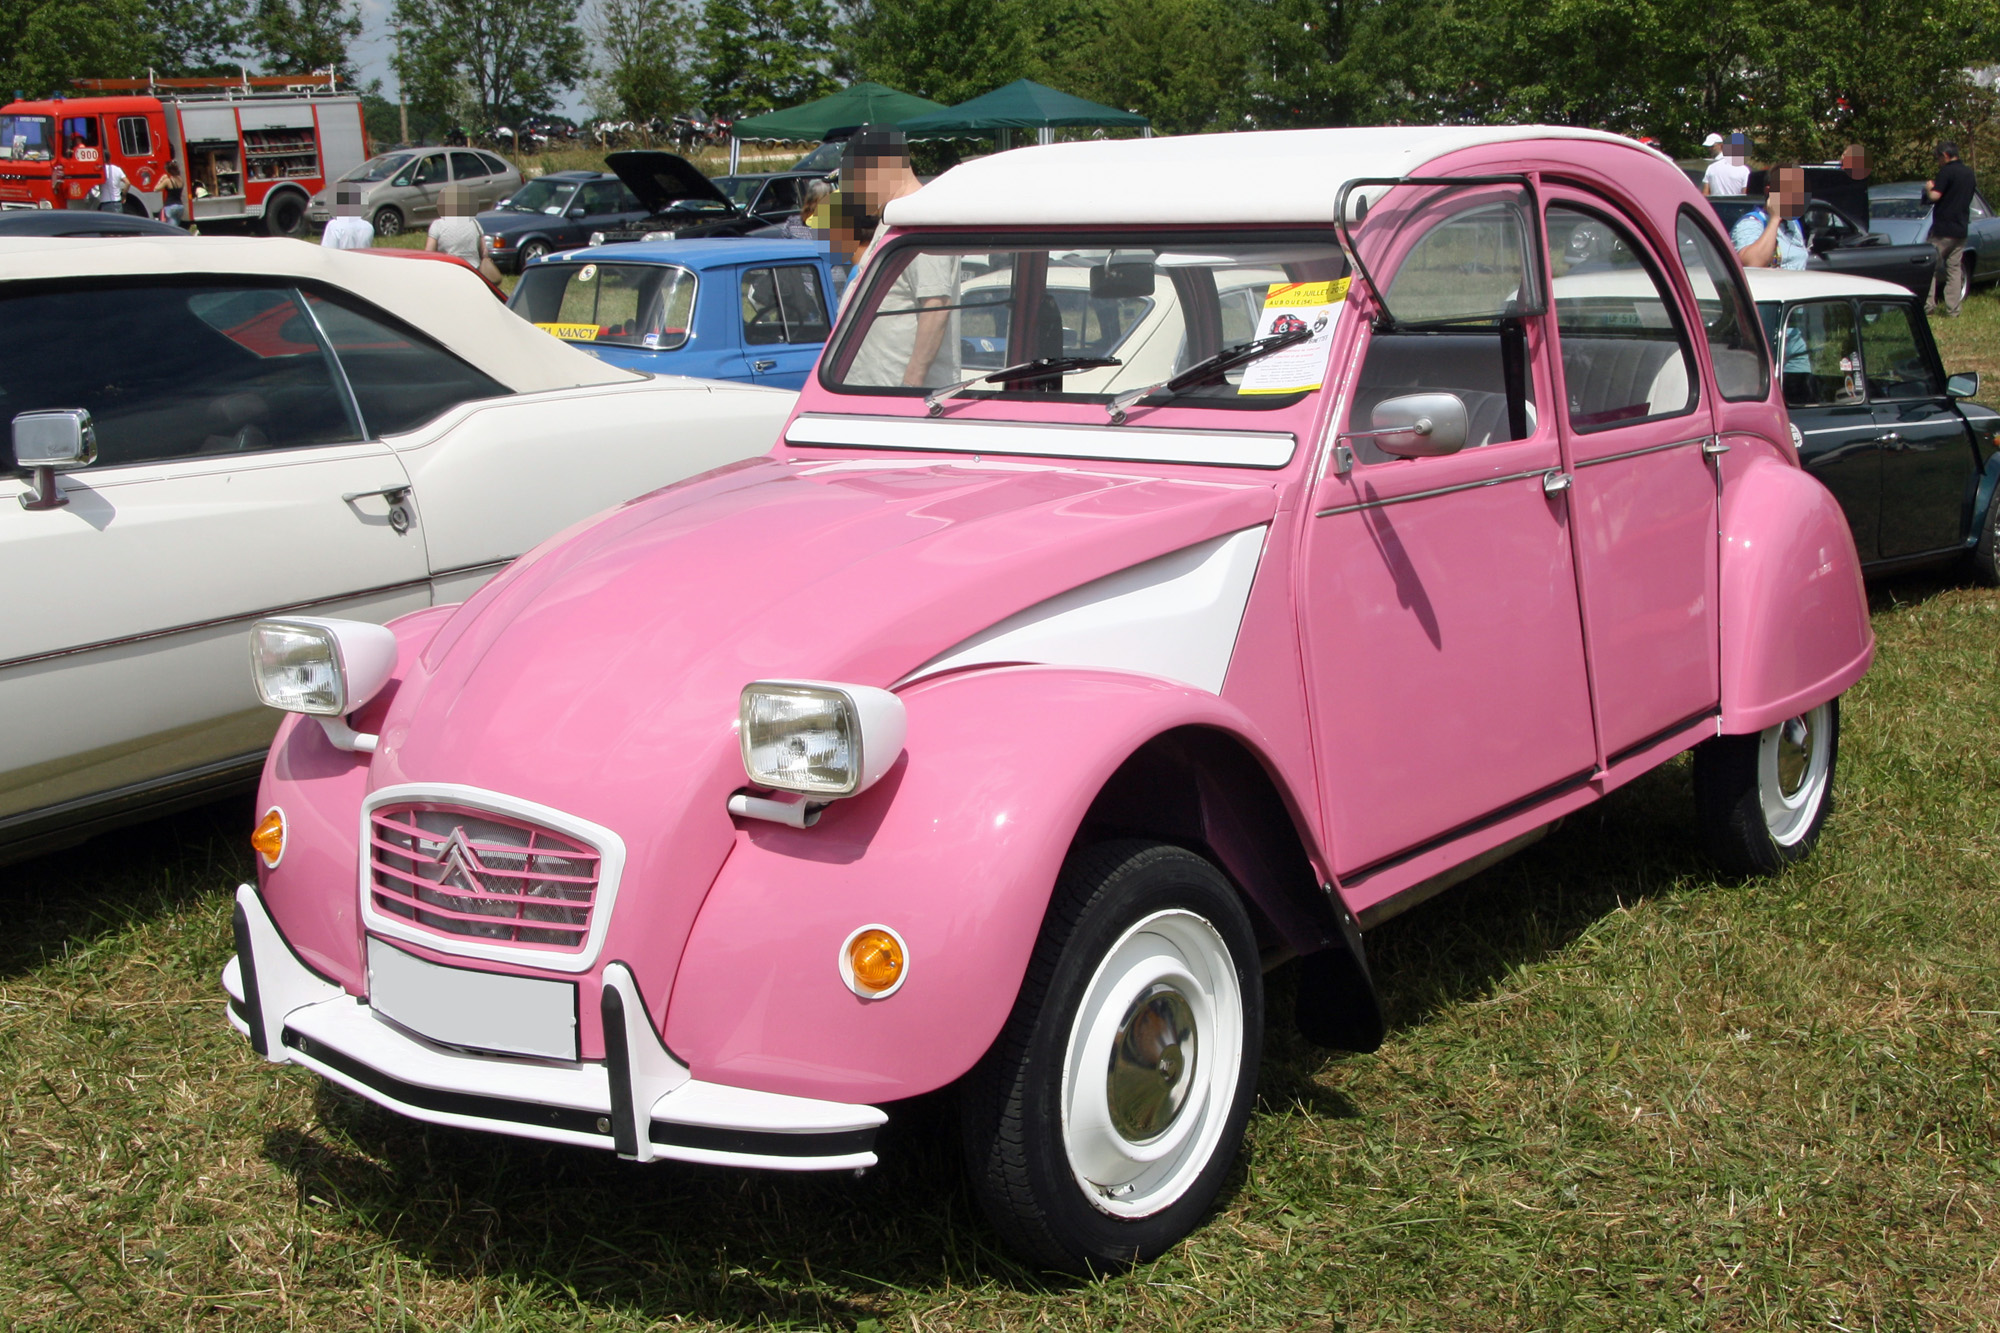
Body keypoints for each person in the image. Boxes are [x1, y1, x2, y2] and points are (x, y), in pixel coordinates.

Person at [835, 126, 958, 388]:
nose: (850, 191)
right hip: (877, 389)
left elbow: (936, 305)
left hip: (897, 394)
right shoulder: (896, 218)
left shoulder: (922, 217)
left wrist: (911, 386)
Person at [1926, 141, 1976, 317]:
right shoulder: (1969, 174)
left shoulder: (1946, 172)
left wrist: (1928, 189)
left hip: (1943, 229)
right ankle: (1953, 310)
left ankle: (1928, 307)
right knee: (1954, 269)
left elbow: (1935, 196)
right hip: (1961, 228)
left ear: (1945, 156)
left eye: (1938, 157)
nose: (1938, 161)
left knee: (1929, 267)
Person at [1732, 165, 1809, 270]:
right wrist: (1774, 219)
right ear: (1769, 191)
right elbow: (1751, 264)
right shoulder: (1751, 223)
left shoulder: (1793, 223)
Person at [425, 183, 482, 264]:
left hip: (449, 269)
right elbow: (484, 253)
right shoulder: (474, 223)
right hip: (473, 271)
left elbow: (429, 253)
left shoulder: (437, 225)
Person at [1703, 131, 1750, 196]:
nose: (1709, 149)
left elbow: (1705, 194)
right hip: (1736, 205)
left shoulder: (1711, 168)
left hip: (1715, 205)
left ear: (1721, 145)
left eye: (1712, 146)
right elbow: (1745, 195)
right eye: (1708, 147)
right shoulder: (1744, 169)